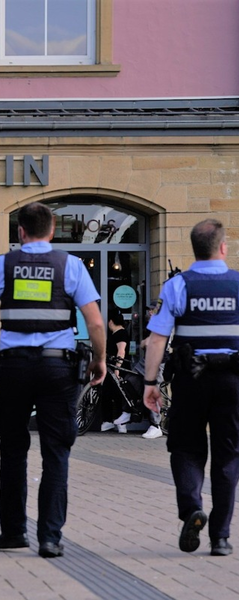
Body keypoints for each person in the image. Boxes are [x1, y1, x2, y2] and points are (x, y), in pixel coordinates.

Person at [0, 202, 106, 559]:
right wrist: (99, 359)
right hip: (57, 369)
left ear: (20, 232)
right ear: (52, 231)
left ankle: (13, 533)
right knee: (56, 452)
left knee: (13, 450)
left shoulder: (3, 264)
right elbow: (94, 322)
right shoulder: (71, 265)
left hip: (14, 369)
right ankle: (49, 538)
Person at [144, 218, 239, 557]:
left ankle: (191, 508)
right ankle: (221, 537)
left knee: (186, 448)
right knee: (228, 456)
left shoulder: (177, 285)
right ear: (223, 247)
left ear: (194, 249)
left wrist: (150, 382)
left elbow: (157, 339)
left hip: (190, 379)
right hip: (233, 381)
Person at [101, 310, 132, 433]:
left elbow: (121, 351)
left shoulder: (121, 334)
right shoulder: (117, 334)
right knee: (109, 393)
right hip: (112, 369)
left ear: (111, 322)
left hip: (118, 369)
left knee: (119, 395)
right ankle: (110, 421)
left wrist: (117, 368)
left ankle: (119, 423)